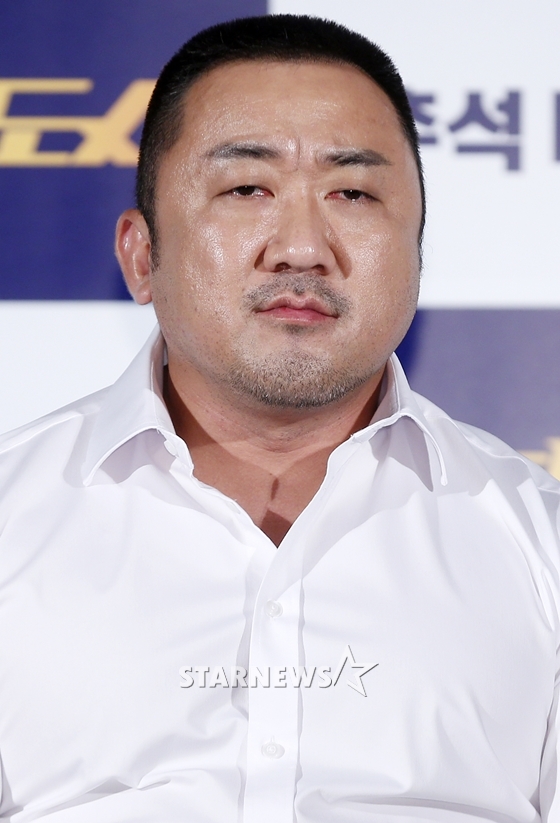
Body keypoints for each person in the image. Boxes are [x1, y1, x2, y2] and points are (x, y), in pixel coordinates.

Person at [0, 13, 559, 823]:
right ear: (141, 256)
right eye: (246, 189)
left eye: (353, 193)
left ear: (417, 255)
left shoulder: (538, 541)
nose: (301, 247)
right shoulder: (12, 517)